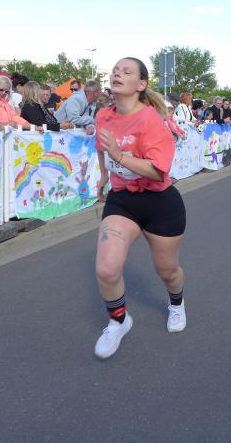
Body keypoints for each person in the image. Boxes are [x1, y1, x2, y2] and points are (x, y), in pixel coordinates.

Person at [91, 57, 187, 360]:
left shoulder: (151, 121)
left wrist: (119, 156)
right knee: (106, 269)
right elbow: (101, 148)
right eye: (115, 70)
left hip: (160, 202)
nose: (117, 74)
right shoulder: (104, 116)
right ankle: (118, 321)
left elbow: (159, 171)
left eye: (126, 71)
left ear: (141, 84)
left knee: (167, 271)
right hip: (123, 200)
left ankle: (177, 304)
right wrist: (104, 175)